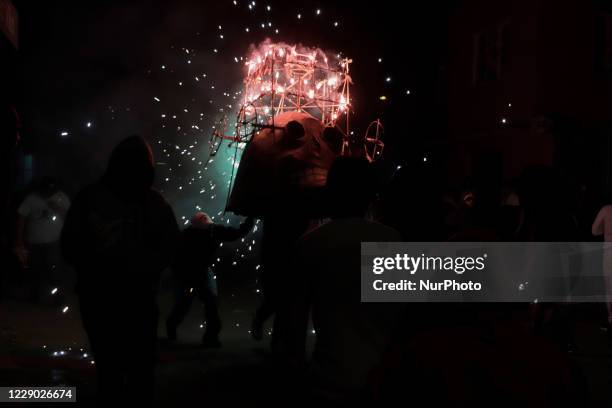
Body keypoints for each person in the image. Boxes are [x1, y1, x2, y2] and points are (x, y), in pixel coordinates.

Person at [61, 135, 179, 404]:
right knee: (136, 368)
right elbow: (170, 247)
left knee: (111, 366)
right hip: (126, 295)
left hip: (104, 295)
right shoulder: (153, 202)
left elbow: (70, 246)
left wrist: (95, 267)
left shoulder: (90, 197)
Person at [285, 157, 402, 402]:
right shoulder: (391, 239)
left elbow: (294, 322)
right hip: (382, 379)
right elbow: (401, 316)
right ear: (369, 195)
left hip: (328, 380)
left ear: (332, 193)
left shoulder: (309, 244)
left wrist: (296, 373)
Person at [166, 211, 254, 347]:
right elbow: (174, 259)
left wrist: (249, 221)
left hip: (201, 271)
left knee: (210, 303)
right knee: (185, 303)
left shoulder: (211, 230)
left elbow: (235, 233)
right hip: (187, 273)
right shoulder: (188, 235)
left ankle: (210, 337)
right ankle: (172, 325)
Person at [14, 177, 71, 302]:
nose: (48, 194)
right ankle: (35, 295)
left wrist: (57, 207)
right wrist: (19, 240)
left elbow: (70, 216)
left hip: (54, 242)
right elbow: (21, 218)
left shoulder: (61, 197)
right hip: (34, 242)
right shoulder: (32, 198)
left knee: (54, 269)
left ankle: (57, 297)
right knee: (35, 269)